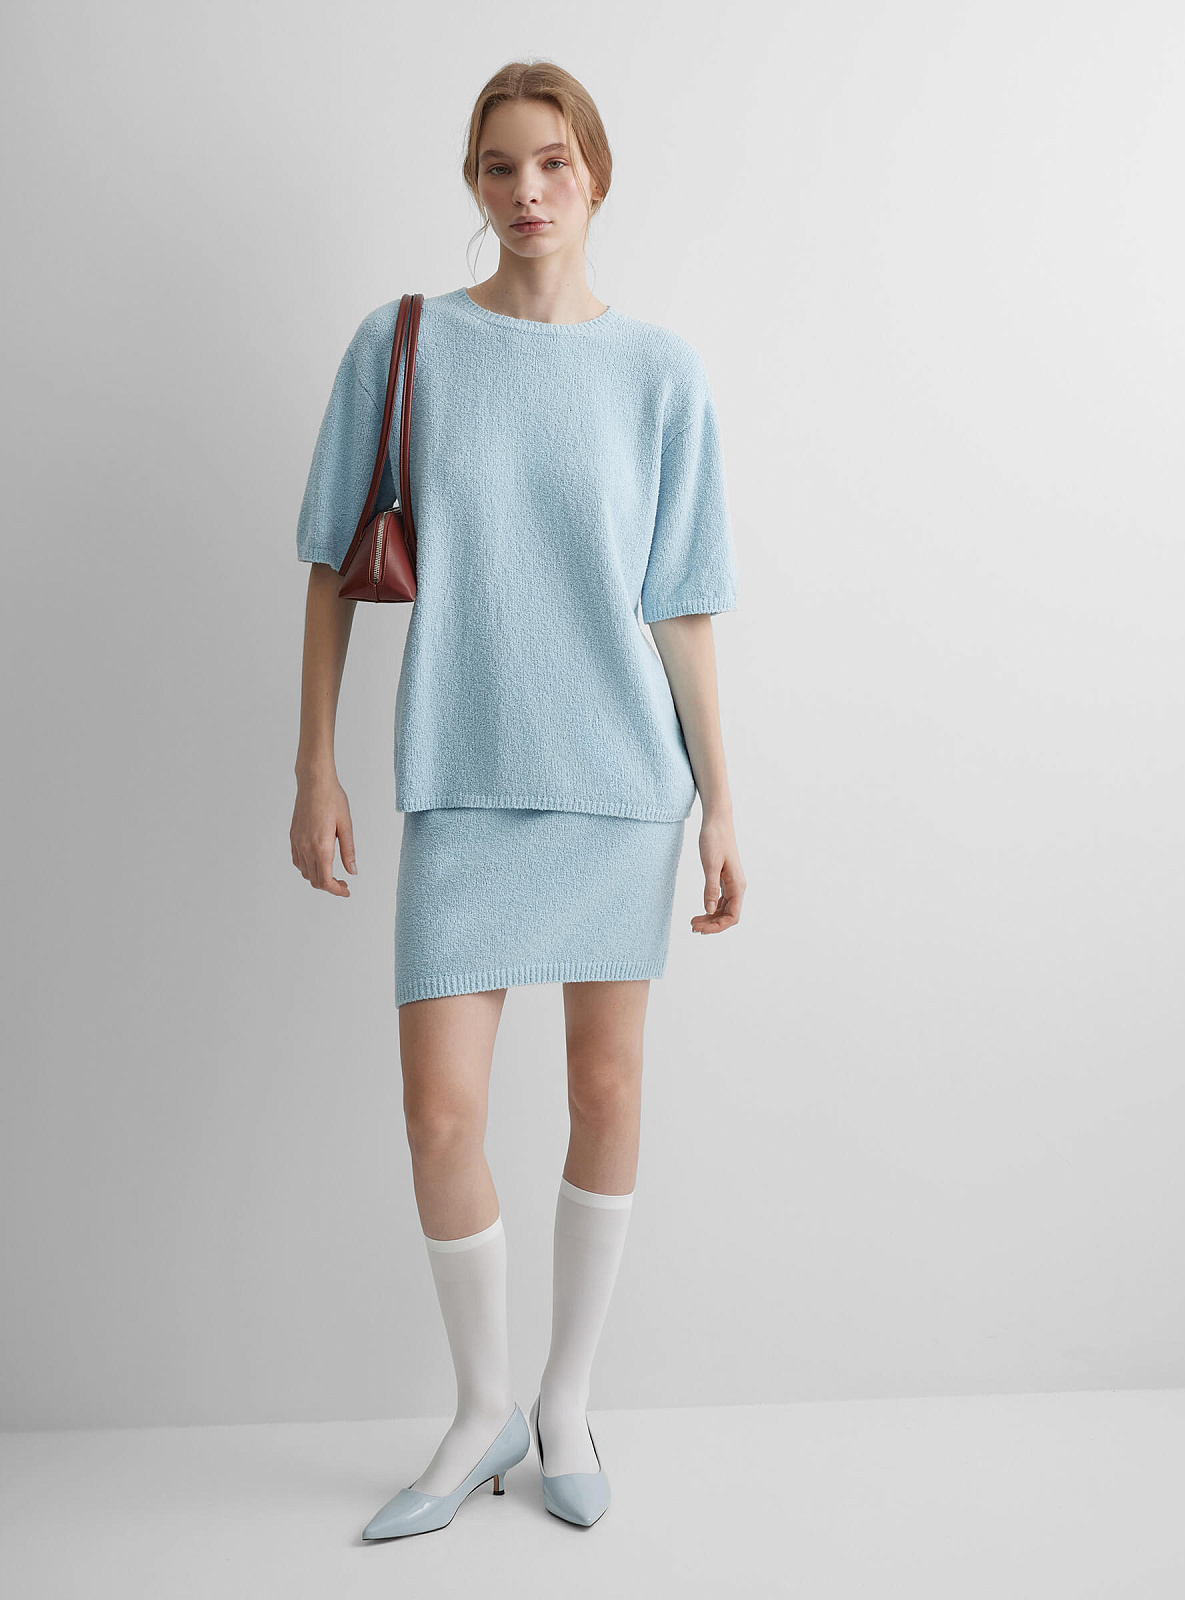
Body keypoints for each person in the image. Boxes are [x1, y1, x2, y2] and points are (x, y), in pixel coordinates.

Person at [290, 60, 746, 1538]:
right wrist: (313, 762)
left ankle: (565, 1403)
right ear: (474, 185)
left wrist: (723, 803)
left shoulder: (660, 372)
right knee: (441, 1116)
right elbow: (333, 562)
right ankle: (482, 1405)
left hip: (621, 783)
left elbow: (681, 605)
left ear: (595, 173)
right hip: (463, 775)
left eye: (553, 162)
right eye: (499, 167)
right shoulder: (404, 344)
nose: (528, 191)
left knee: (607, 1093)